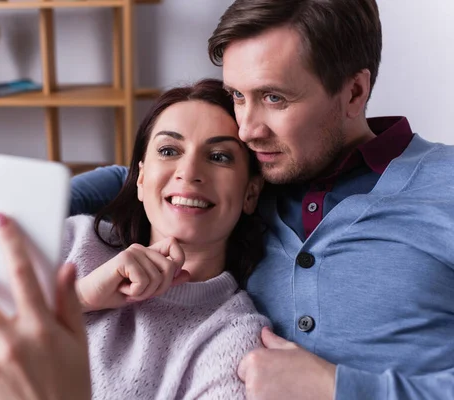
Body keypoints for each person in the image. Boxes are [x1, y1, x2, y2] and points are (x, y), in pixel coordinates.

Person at [68, 1, 454, 399]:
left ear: (354, 92)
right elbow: (147, 178)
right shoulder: (259, 178)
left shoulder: (446, 186)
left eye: (274, 98)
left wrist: (339, 388)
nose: (248, 129)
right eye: (237, 95)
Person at [0, 79, 271, 399]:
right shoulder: (69, 238)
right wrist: (76, 299)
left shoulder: (233, 339)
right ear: (141, 179)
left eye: (219, 157)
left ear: (251, 192)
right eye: (169, 150)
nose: (189, 172)